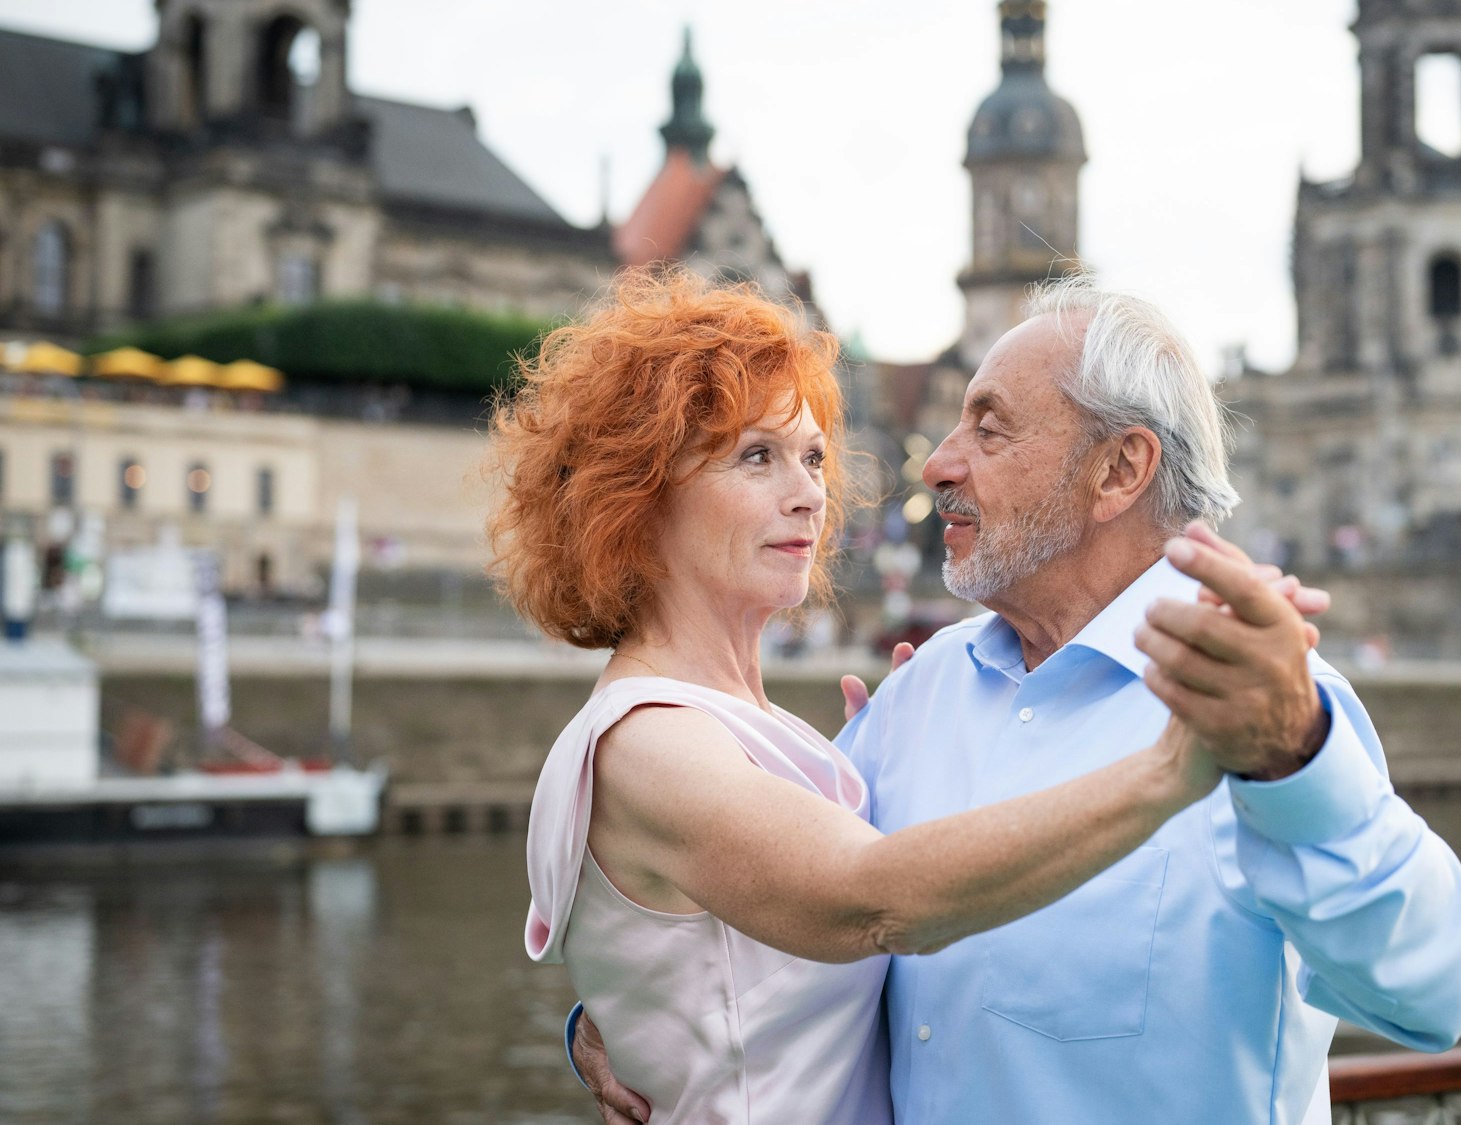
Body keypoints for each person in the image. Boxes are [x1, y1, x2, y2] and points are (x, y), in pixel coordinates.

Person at [491, 271, 1327, 1125]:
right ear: (638, 492)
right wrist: (1170, 770)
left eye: (813, 455)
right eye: (757, 455)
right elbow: (871, 899)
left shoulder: (795, 729)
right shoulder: (649, 744)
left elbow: (718, 968)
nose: (810, 490)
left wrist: (623, 1014)